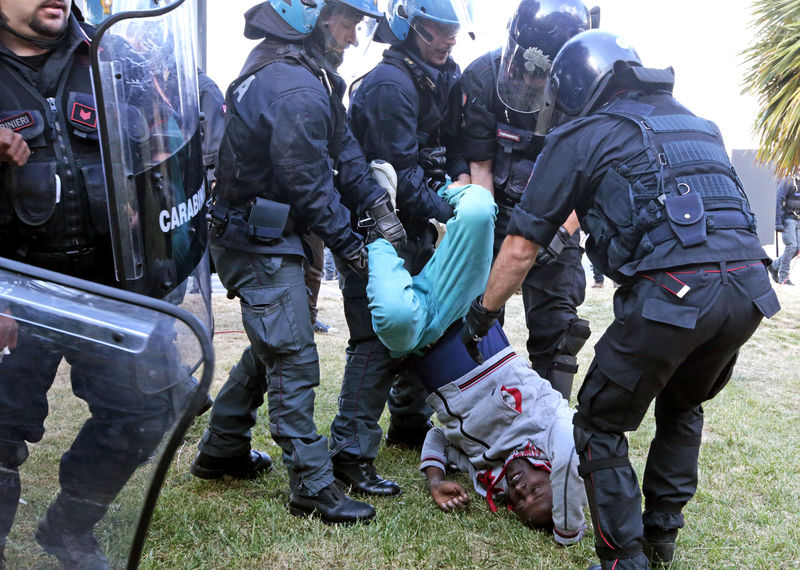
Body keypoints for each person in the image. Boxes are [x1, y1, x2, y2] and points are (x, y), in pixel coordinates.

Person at [460, 30, 780, 569]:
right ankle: (661, 539)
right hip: (749, 291)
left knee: (599, 423)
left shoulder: (586, 133)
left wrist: (482, 314)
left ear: (577, 88)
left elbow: (519, 247)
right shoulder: (701, 125)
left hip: (672, 295)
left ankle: (621, 558)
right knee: (682, 404)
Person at [0, 1, 203, 568]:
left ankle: (68, 529)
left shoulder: (113, 57)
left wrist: (153, 206)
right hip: (14, 284)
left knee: (145, 413)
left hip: (107, 287)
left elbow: (165, 148)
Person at [190, 0, 405, 525]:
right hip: (254, 238)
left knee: (272, 342)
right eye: (349, 22)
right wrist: (349, 245)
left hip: (264, 233)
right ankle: (311, 483)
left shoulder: (306, 74)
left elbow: (345, 154)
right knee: (291, 354)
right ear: (315, 13)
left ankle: (222, 448)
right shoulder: (294, 85)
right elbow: (308, 181)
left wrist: (377, 207)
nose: (355, 37)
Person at [363, 181, 587, 544]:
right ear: (552, 476)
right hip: (466, 305)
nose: (521, 490)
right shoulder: (551, 426)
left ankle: (378, 227)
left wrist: (435, 479)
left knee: (393, 318)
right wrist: (568, 532)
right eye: (537, 491)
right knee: (480, 208)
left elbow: (439, 436)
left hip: (419, 337)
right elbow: (572, 462)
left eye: (519, 502)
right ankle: (429, 181)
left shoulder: (486, 470)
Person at [328, 0, 473, 498]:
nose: (450, 38)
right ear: (412, 26)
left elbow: (454, 145)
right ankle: (349, 454)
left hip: (418, 222)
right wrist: (459, 214)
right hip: (379, 226)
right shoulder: (391, 85)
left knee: (423, 324)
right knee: (373, 339)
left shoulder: (443, 76)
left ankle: (409, 426)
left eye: (454, 29)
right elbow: (402, 180)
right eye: (439, 29)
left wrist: (460, 184)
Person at [456, 0, 596, 400]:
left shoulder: (587, 93)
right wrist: (485, 238)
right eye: (523, 69)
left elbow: (591, 176)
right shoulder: (483, 76)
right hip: (499, 205)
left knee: (559, 326)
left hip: (560, 219)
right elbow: (480, 166)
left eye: (541, 75)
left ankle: (550, 423)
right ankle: (472, 412)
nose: (529, 79)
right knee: (475, 313)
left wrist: (558, 238)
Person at [767, 172, 800, 285]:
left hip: (799, 219)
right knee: (792, 246)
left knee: (798, 249)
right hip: (788, 218)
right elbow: (778, 199)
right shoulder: (789, 180)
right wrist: (778, 223)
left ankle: (774, 266)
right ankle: (784, 278)